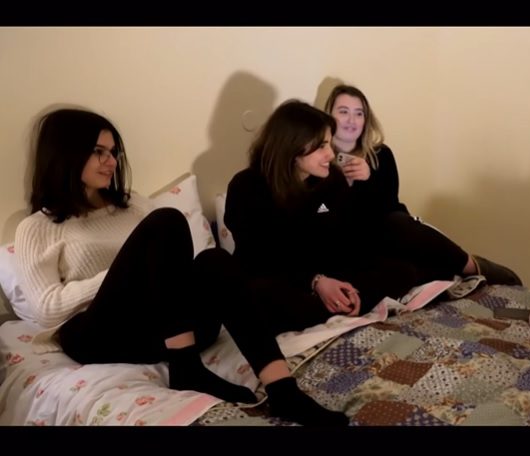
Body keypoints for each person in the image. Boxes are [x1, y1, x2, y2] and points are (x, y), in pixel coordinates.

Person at [14, 108, 348, 426]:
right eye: (98, 152)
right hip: (100, 334)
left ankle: (283, 391)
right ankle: (186, 367)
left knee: (215, 260)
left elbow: (171, 266)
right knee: (166, 220)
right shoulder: (37, 227)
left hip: (160, 328)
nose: (111, 161)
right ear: (67, 155)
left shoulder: (132, 205)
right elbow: (47, 308)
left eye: (113, 152)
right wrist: (127, 271)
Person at [225, 100, 465, 333]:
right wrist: (316, 281)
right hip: (281, 278)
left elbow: (349, 237)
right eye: (321, 146)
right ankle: (337, 305)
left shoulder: (330, 180)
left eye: (329, 144)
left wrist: (342, 284)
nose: (330, 154)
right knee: (261, 300)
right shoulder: (246, 186)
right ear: (293, 147)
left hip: (330, 271)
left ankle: (344, 302)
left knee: (402, 271)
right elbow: (259, 257)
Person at [323, 84, 522, 286]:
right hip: (356, 246)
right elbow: (328, 218)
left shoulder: (381, 155)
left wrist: (368, 179)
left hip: (391, 232)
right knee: (406, 273)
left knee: (398, 223)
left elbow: (388, 207)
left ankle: (473, 267)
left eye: (359, 114)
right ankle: (448, 276)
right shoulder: (320, 162)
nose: (352, 120)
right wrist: (342, 183)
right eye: (343, 112)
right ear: (329, 116)